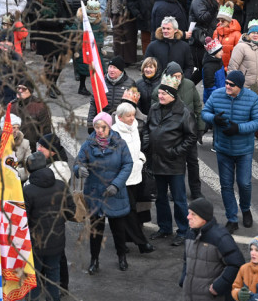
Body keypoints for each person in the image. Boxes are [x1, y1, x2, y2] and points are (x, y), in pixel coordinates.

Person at [202, 70, 258, 234]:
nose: (227, 86)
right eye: (227, 83)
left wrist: (238, 128)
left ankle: (245, 209)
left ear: (240, 87)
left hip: (244, 149)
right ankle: (232, 218)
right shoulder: (217, 95)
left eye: (231, 85)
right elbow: (204, 113)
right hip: (223, 149)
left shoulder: (251, 98)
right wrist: (213, 119)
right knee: (226, 185)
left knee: (244, 183)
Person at [74, 112, 134, 273]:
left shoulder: (120, 143)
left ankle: (122, 256)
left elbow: (127, 164)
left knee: (118, 230)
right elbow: (79, 162)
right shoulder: (88, 144)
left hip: (114, 194)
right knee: (95, 231)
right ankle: (94, 260)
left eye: (103, 127)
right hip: (95, 194)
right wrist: (79, 169)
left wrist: (116, 184)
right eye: (97, 127)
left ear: (109, 127)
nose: (99, 130)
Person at [22, 152, 77, 301]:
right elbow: (71, 211)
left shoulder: (28, 190)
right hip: (56, 240)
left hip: (35, 244)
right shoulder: (61, 185)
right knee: (53, 276)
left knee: (33, 278)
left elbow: (23, 218)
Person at [148, 80, 196, 247]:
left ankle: (183, 231)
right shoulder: (154, 109)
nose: (159, 96)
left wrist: (176, 152)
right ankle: (164, 227)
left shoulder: (183, 112)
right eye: (159, 93)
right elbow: (149, 129)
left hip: (174, 164)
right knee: (160, 198)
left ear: (172, 95)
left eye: (163, 94)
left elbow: (191, 137)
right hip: (156, 161)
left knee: (179, 199)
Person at [181, 197, 244, 301]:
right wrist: (184, 278)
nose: (188, 217)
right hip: (193, 300)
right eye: (189, 213)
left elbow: (237, 264)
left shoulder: (220, 237)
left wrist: (217, 287)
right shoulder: (190, 233)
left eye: (193, 214)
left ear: (204, 218)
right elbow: (187, 259)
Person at [111, 103, 155, 255]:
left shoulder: (135, 126)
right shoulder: (114, 132)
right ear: (120, 117)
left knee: (130, 210)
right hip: (123, 178)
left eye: (132, 115)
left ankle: (125, 241)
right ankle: (142, 243)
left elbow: (138, 147)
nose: (132, 118)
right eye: (128, 116)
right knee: (129, 210)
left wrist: (141, 159)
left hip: (136, 175)